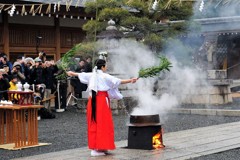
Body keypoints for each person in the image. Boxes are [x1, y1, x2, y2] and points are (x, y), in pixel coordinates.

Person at [67, 59, 138, 157]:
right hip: (101, 102)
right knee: (102, 124)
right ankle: (97, 147)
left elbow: (79, 75)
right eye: (106, 66)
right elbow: (118, 81)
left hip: (93, 101)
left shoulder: (92, 74)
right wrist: (131, 80)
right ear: (103, 67)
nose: (106, 67)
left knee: (96, 123)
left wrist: (71, 73)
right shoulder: (104, 76)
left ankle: (101, 147)